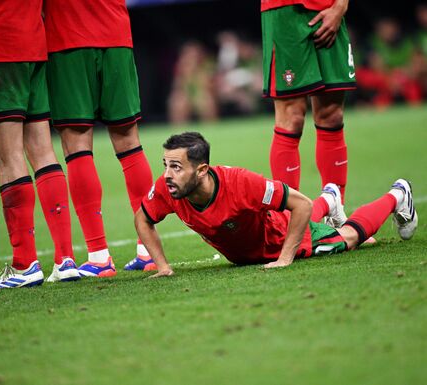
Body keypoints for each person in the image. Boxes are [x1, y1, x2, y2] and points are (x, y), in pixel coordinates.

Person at [134, 132, 418, 277]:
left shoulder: (241, 183)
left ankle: (397, 195)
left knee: (350, 238)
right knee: (304, 212)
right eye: (165, 165)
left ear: (201, 170)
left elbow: (301, 206)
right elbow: (142, 219)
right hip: (255, 245)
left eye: (176, 167)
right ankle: (330, 199)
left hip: (279, 239)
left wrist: (284, 258)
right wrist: (162, 267)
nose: (167, 175)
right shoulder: (167, 188)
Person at [44, 0, 155, 277]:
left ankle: (99, 256)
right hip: (115, 33)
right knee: (129, 141)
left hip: (68, 38)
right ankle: (149, 250)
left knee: (77, 144)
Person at [0, 0, 78, 288]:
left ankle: (25, 263)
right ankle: (65, 259)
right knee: (43, 151)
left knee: (7, 155)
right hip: (34, 43)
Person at [261, 0, 355, 213]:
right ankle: (288, 221)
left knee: (332, 114)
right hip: (285, 11)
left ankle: (336, 214)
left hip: (330, 10)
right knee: (291, 118)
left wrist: (340, 7)